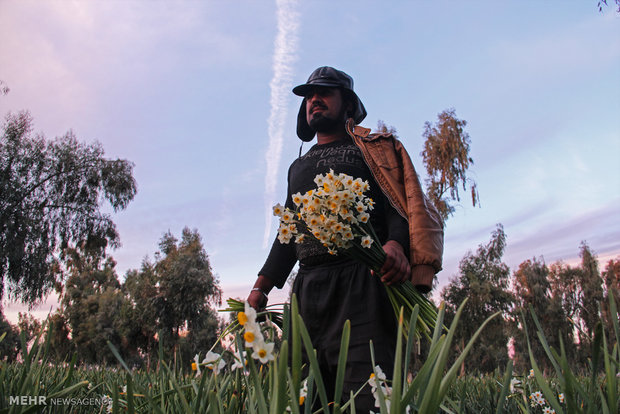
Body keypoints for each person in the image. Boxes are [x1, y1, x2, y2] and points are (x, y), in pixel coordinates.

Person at [247, 66, 443, 410]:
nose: (314, 100)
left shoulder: (371, 152)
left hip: (363, 285)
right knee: (308, 400)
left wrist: (395, 245)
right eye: (308, 96)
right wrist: (261, 286)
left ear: (348, 104)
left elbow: (397, 203)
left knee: (368, 397)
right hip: (308, 292)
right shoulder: (298, 167)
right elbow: (289, 232)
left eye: (324, 93)